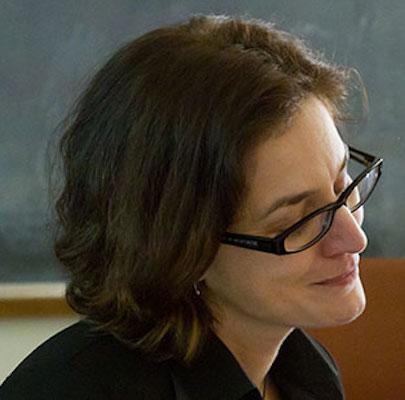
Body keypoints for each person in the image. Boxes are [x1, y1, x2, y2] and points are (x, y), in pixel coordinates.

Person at [0, 14, 383, 400]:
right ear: (179, 249)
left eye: (342, 184)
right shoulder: (70, 392)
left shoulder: (304, 370)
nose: (354, 237)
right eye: (296, 220)